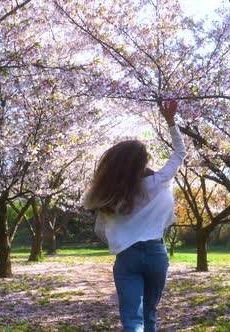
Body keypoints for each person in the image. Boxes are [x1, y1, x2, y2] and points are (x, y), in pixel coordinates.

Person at [83, 100, 187, 332]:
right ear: (142, 162)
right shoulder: (157, 182)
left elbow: (100, 230)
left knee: (132, 319)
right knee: (149, 314)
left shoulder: (112, 195)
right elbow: (180, 153)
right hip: (156, 253)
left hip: (127, 256)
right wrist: (171, 121)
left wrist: (122, 239)